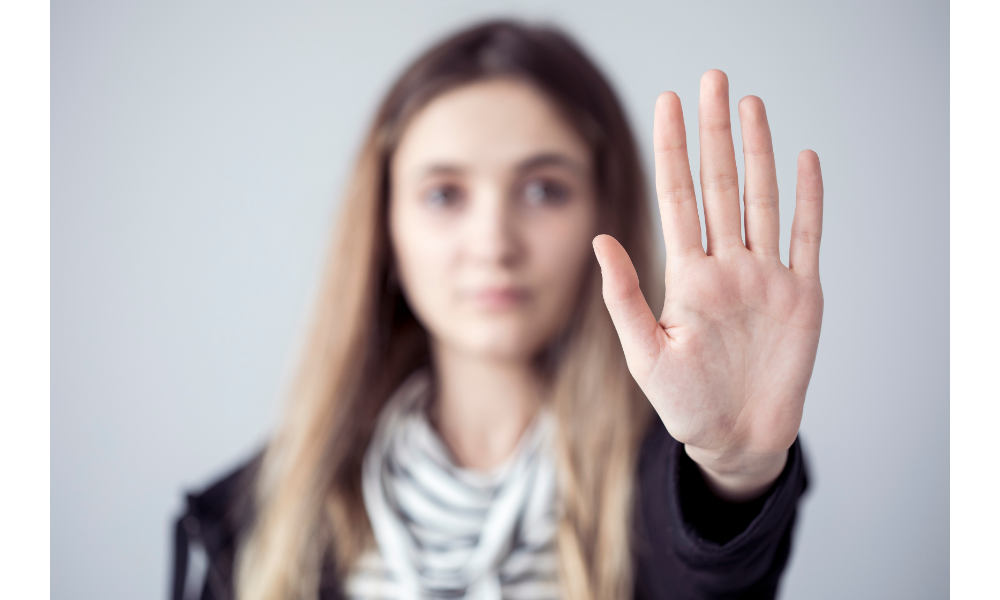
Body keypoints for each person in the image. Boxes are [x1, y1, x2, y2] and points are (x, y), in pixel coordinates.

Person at [171, 19, 822, 600]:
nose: (493, 243)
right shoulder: (249, 518)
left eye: (543, 189)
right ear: (384, 228)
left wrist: (732, 468)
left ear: (604, 212)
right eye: (444, 194)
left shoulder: (667, 492)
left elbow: (712, 570)